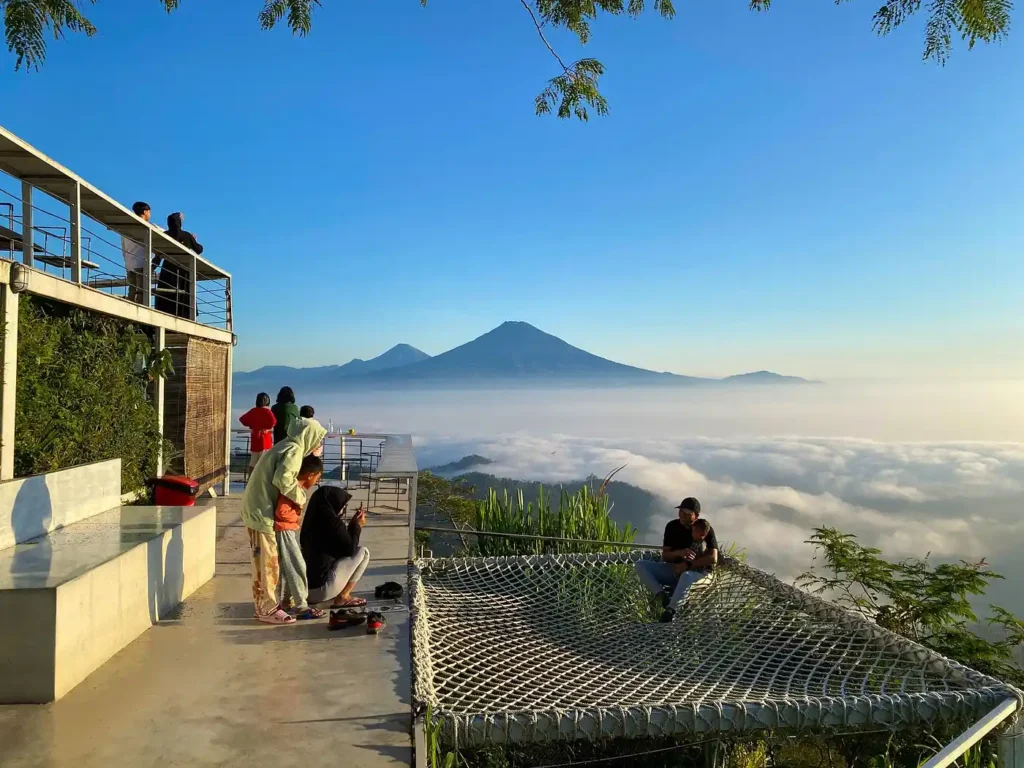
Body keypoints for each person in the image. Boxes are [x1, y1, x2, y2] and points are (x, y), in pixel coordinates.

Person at [240, 416, 328, 625]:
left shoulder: (285, 445)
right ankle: (267, 609)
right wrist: (301, 497)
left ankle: (271, 605)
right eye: (317, 438)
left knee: (270, 562)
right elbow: (283, 480)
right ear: (309, 435)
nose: (317, 443)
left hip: (258, 509)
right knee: (267, 564)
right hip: (261, 512)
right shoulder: (294, 450)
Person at [635, 497, 719, 623]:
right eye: (680, 511)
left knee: (686, 576)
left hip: (700, 575)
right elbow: (666, 555)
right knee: (640, 565)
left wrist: (688, 564)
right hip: (674, 571)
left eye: (687, 513)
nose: (682, 515)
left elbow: (713, 557)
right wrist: (679, 553)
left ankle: (670, 611)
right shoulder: (672, 526)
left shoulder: (704, 528)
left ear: (696, 516)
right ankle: (663, 597)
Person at [275, 454, 326, 620]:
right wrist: (296, 517)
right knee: (297, 565)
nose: (317, 481)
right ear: (310, 475)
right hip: (284, 530)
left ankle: (286, 601)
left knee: (286, 567)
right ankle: (301, 606)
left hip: (286, 529)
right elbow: (281, 512)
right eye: (317, 477)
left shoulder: (295, 489)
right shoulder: (292, 489)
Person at [300, 486, 370, 608]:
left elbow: (340, 544)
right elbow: (350, 550)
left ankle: (337, 594)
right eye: (342, 505)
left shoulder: (311, 523)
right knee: (363, 552)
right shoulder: (333, 523)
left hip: (305, 591)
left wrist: (352, 526)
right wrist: (357, 526)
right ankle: (343, 596)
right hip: (321, 591)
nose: (342, 509)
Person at [154, 212, 203, 319]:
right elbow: (199, 249)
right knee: (184, 295)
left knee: (167, 296)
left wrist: (151, 267)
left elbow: (158, 254)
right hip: (183, 270)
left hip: (168, 270)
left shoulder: (164, 235)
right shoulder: (186, 235)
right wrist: (193, 240)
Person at [238, 392, 276, 481]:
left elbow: (242, 419)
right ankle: (262, 481)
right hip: (265, 440)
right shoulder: (267, 411)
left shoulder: (253, 411)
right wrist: (267, 428)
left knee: (253, 462)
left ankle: (250, 480)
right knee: (264, 462)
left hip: (255, 439)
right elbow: (273, 421)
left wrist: (251, 425)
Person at [121, 201, 153, 304]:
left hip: (130, 265)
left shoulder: (126, 228)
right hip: (142, 265)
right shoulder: (148, 227)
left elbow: (123, 248)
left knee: (132, 294)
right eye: (149, 212)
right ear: (145, 212)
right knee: (142, 296)